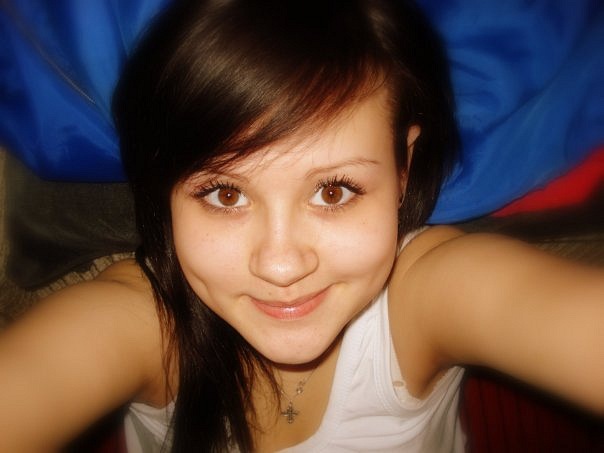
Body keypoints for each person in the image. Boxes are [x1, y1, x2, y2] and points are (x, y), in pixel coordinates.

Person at [1, 0, 603, 452]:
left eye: (333, 191)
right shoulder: (141, 324)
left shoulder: (427, 294)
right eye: (226, 194)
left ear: (402, 169)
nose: (282, 265)